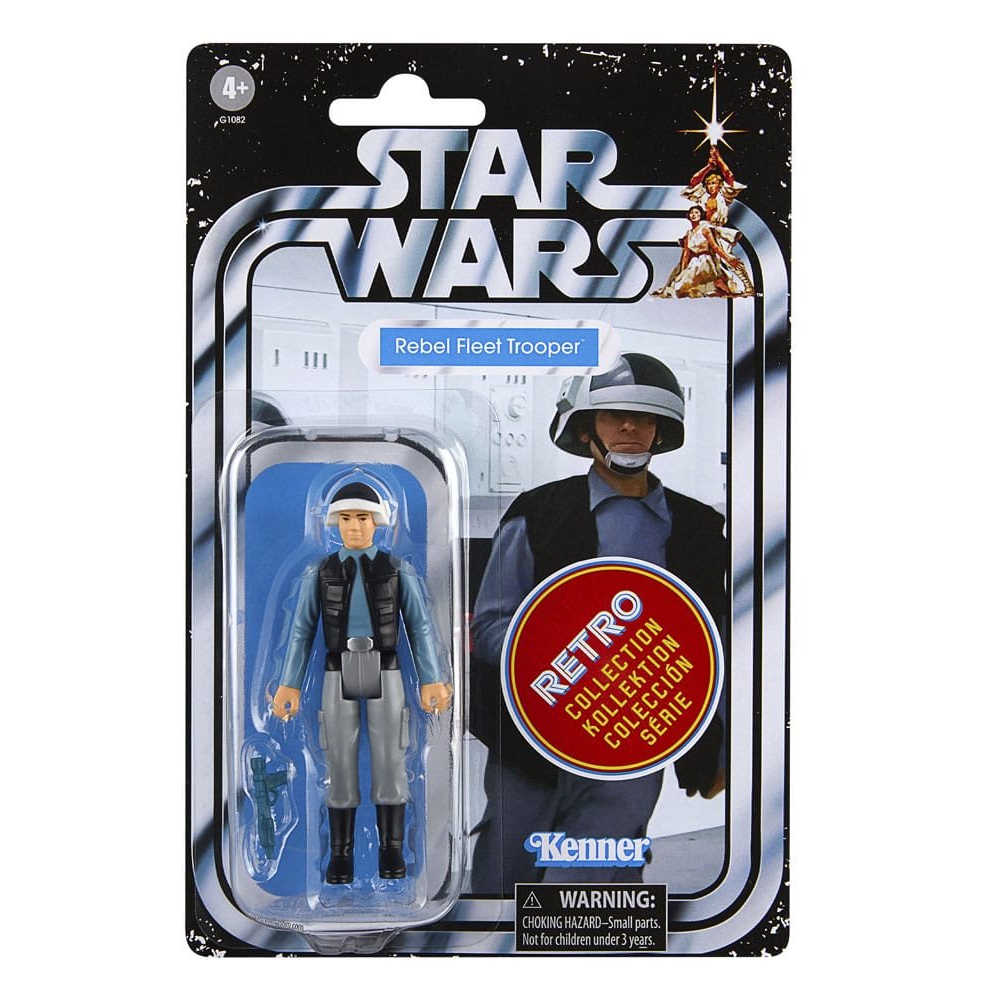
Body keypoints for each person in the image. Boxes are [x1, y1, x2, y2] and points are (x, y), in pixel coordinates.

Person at [469, 353, 726, 893]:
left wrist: (717, 749)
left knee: (598, 880)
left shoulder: (700, 530)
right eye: (613, 415)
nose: (629, 427)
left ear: (662, 431)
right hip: (532, 741)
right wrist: (572, 656)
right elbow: (490, 624)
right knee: (502, 876)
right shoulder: (537, 514)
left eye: (644, 417)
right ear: (585, 428)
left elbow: (714, 646)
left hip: (634, 746)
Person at [269, 480, 452, 885]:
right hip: (338, 669)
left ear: (378, 522)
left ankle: (392, 850)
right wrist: (289, 683)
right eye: (347, 518)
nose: (354, 527)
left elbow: (420, 627)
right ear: (335, 523)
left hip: (386, 669)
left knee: (391, 758)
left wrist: (431, 679)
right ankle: (340, 855)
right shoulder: (320, 573)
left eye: (363, 518)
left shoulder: (397, 570)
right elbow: (300, 631)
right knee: (338, 758)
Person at [655, 205, 753, 298]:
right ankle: (716, 285)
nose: (693, 214)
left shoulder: (705, 229)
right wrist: (682, 272)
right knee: (679, 287)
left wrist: (728, 258)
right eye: (691, 213)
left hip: (706, 261)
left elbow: (715, 246)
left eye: (696, 212)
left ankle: (730, 285)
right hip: (694, 263)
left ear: (701, 215)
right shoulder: (688, 234)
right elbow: (686, 254)